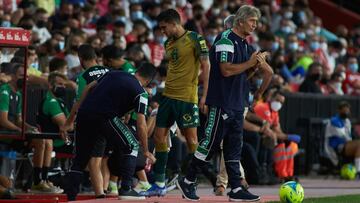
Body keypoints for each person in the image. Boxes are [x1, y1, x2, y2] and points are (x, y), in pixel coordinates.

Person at [177, 5, 272, 201]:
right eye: (252, 21)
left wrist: (256, 66)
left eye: (256, 21)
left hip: (237, 103)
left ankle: (236, 188)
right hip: (221, 102)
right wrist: (250, 63)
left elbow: (245, 74)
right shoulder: (225, 39)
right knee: (210, 145)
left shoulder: (246, 45)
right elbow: (226, 70)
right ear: (240, 20)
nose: (255, 25)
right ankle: (187, 180)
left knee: (233, 148)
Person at [63, 63, 157, 201]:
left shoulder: (112, 73)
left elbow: (88, 89)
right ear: (148, 81)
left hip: (84, 114)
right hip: (105, 117)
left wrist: (70, 120)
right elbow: (141, 124)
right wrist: (146, 150)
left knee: (80, 159)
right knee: (132, 146)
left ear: (137, 71)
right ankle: (126, 189)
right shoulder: (140, 93)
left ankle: (70, 197)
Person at [146, 9, 210, 196]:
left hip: (187, 98)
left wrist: (205, 95)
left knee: (192, 140)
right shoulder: (168, 43)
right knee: (158, 137)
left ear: (174, 23)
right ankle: (159, 183)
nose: (162, 32)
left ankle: (191, 181)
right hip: (168, 96)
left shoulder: (195, 39)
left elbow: (206, 65)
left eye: (164, 28)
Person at [62, 44, 110, 198]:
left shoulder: (84, 76)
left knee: (84, 161)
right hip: (109, 121)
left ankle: (89, 195)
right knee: (97, 160)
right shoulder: (109, 72)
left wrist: (68, 123)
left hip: (89, 121)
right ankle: (100, 193)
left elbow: (78, 103)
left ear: (81, 59)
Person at [36, 72, 70, 194]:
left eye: (64, 85)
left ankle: (45, 180)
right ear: (50, 86)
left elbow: (68, 124)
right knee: (92, 148)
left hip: (63, 139)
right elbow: (66, 125)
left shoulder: (60, 101)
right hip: (59, 141)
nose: (63, 87)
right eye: (60, 84)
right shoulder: (51, 102)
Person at [324, 101, 360, 176]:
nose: (346, 112)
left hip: (346, 145)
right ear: (339, 110)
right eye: (344, 110)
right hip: (335, 146)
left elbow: (349, 137)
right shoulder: (334, 121)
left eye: (348, 110)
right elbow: (343, 136)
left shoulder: (347, 121)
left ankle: (358, 170)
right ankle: (358, 171)